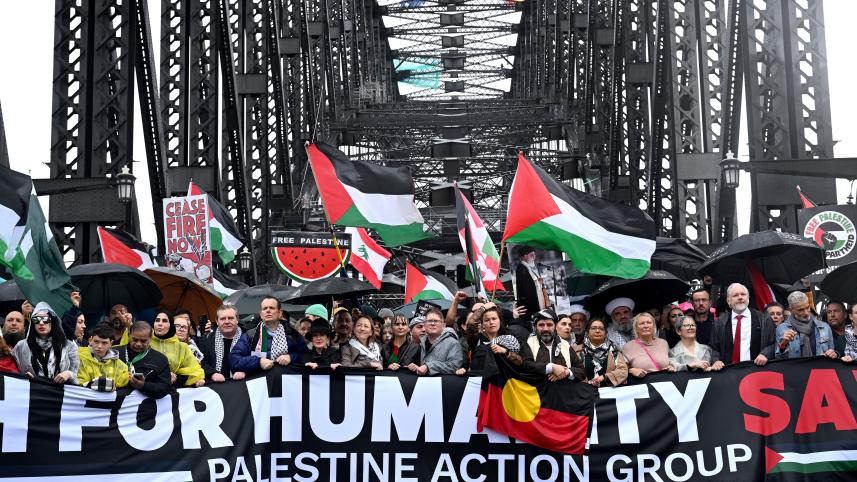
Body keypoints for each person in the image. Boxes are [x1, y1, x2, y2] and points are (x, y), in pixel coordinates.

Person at [710, 283, 775, 369]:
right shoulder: (719, 323)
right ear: (728, 300)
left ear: (748, 298)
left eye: (743, 294)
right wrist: (716, 360)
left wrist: (765, 354)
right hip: (728, 372)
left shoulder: (764, 319)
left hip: (756, 370)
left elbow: (774, 342)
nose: (740, 297)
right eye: (735, 295)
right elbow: (714, 347)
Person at [11, 302, 79, 384]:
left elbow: (75, 375)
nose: (41, 323)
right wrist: (24, 377)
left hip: (60, 394)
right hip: (33, 392)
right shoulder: (21, 346)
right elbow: (12, 372)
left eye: (45, 319)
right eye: (36, 319)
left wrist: (68, 374)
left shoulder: (69, 346)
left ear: (53, 322)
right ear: (33, 323)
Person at [230, 296, 292, 376]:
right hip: (260, 383)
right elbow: (234, 360)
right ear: (261, 314)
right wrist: (258, 362)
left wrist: (291, 357)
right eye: (265, 308)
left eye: (272, 308)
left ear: (280, 313)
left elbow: (305, 356)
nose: (268, 310)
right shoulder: (250, 335)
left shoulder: (292, 335)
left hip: (286, 383)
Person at [522, 309, 584, 381]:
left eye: (549, 325)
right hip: (539, 390)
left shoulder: (565, 344)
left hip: (564, 389)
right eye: (541, 325)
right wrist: (551, 367)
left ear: (555, 327)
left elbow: (581, 371)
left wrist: (566, 372)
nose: (545, 329)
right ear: (535, 327)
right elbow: (525, 365)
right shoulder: (529, 343)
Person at [775, 291, 837, 360]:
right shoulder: (782, 328)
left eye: (807, 307)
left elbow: (832, 353)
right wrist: (783, 344)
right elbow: (779, 359)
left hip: (819, 369)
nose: (806, 312)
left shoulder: (824, 327)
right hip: (796, 370)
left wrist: (833, 354)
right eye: (800, 310)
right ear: (791, 310)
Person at [150, 311, 205, 387]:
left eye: (165, 321)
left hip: (172, 390)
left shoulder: (182, 347)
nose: (160, 323)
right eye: (157, 320)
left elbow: (195, 371)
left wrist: (177, 376)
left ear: (170, 325)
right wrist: (164, 374)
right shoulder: (146, 340)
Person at [116, 321, 171, 398]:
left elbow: (165, 388)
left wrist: (143, 386)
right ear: (129, 336)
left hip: (145, 407)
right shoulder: (114, 353)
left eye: (143, 341)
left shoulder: (160, 359)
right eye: (135, 340)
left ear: (150, 339)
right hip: (114, 405)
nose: (138, 344)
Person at [77, 323, 129, 391]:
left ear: (111, 343)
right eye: (96, 341)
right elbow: (78, 383)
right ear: (90, 340)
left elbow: (123, 385)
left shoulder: (121, 366)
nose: (99, 346)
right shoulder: (77, 357)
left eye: (104, 343)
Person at [410, 308, 463, 375]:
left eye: (436, 321)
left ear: (443, 325)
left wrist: (429, 367)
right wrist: (414, 367)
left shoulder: (453, 343)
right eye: (429, 321)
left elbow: (455, 366)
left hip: (444, 384)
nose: (432, 323)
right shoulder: (421, 343)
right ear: (425, 324)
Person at [621, 312, 674, 378]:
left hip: (665, 384)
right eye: (642, 323)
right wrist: (631, 370)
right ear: (636, 328)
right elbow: (621, 370)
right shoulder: (628, 347)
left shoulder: (663, 343)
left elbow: (671, 361)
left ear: (654, 326)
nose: (646, 326)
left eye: (649, 323)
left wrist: (672, 366)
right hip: (642, 385)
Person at [200, 305, 244, 382]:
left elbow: (253, 359)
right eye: (223, 319)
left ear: (237, 319)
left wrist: (245, 371)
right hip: (216, 386)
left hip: (242, 384)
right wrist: (212, 374)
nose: (227, 322)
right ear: (217, 321)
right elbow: (202, 361)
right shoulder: (206, 339)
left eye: (230, 318)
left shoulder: (247, 338)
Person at [581, 318, 627, 387]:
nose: (597, 331)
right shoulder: (579, 351)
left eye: (601, 329)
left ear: (606, 334)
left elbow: (623, 371)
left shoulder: (614, 351)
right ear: (587, 333)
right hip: (583, 393)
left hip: (608, 393)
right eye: (593, 328)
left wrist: (605, 377)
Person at [513, 245, 550, 320]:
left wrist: (538, 282)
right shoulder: (521, 268)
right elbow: (525, 288)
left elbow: (530, 283)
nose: (534, 257)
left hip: (537, 297)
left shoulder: (527, 267)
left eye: (534, 254)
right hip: (531, 301)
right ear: (525, 256)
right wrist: (536, 282)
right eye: (531, 255)